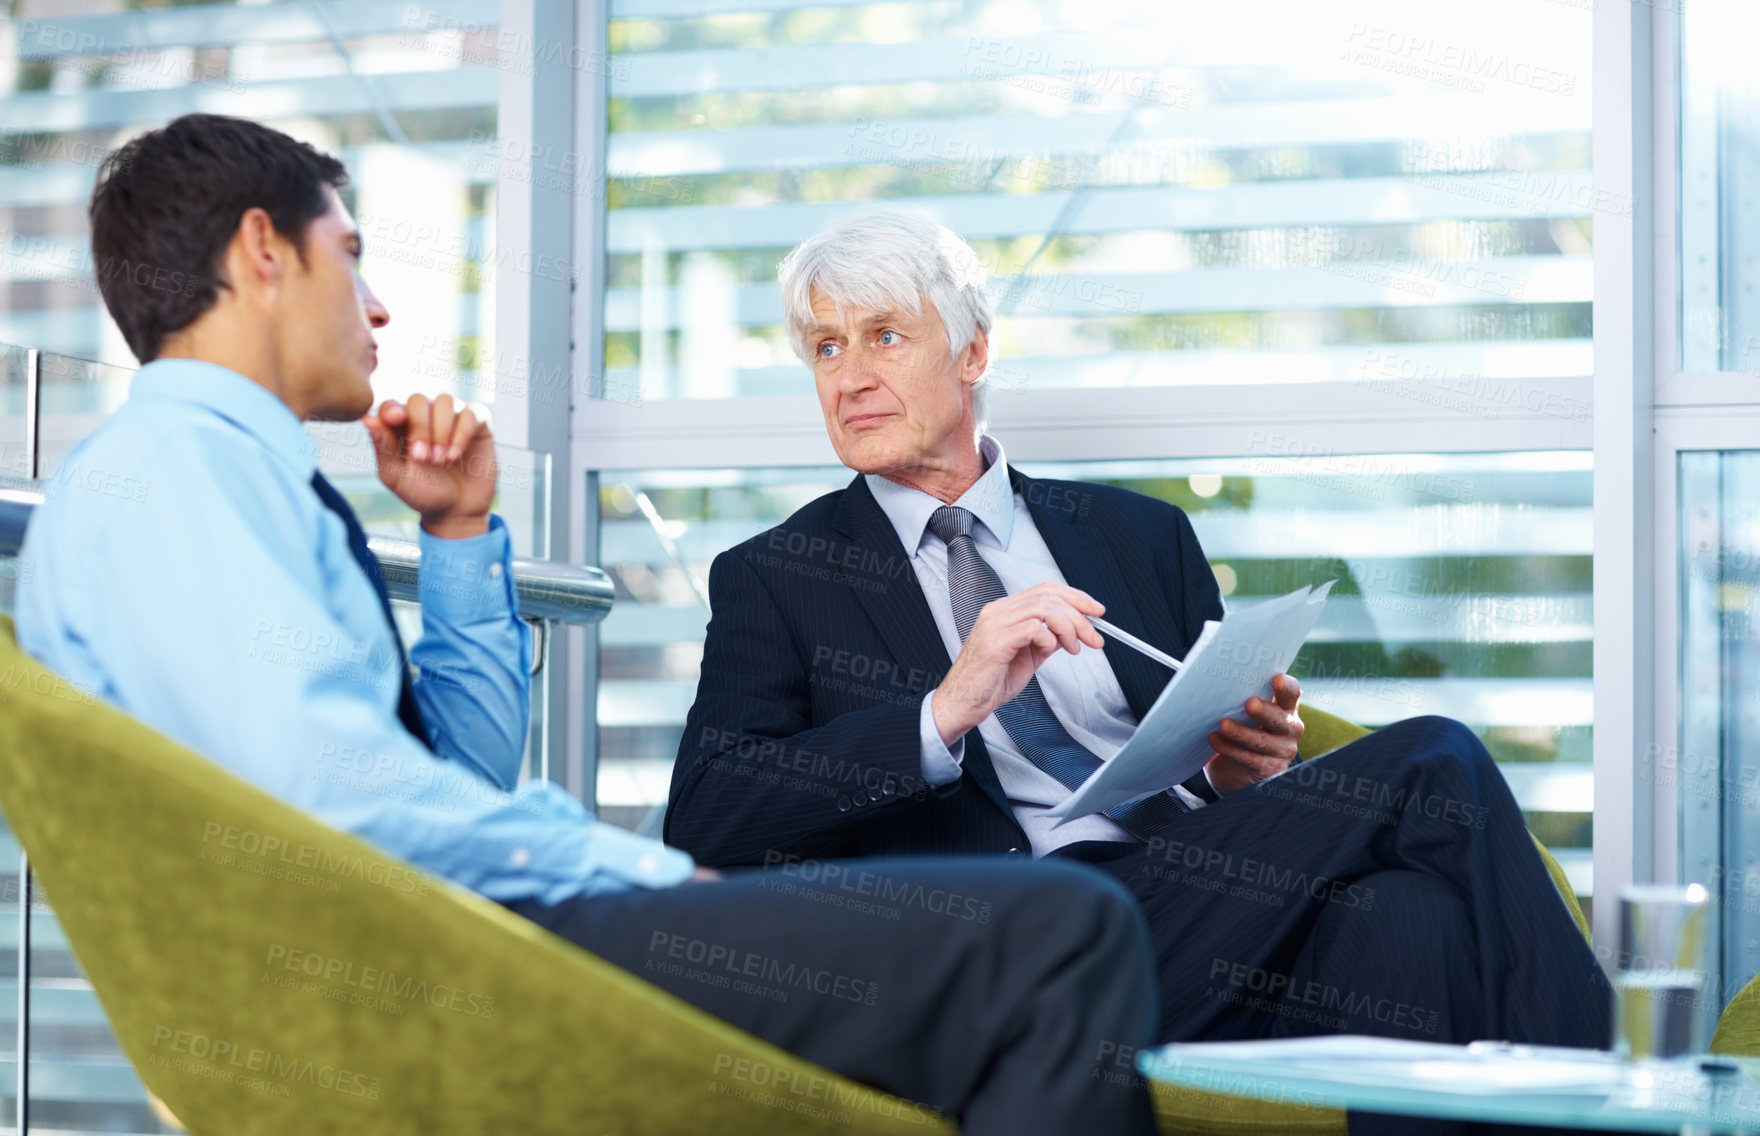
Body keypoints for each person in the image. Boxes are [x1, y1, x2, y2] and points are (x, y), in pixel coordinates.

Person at [13, 115, 1164, 1136]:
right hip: (421, 971)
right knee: (1055, 935)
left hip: (429, 940)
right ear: (265, 251)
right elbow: (347, 794)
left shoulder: (203, 474)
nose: (376, 304)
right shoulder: (179, 476)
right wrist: (648, 872)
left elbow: (441, 771)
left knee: (1045, 938)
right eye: (350, 255)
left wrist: (463, 540)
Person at [665, 209, 1615, 1136]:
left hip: (1208, 916)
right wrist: (946, 711)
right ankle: (1620, 1101)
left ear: (973, 354)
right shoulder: (777, 576)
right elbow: (708, 813)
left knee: (1406, 919)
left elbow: (1202, 751)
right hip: (1036, 943)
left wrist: (1231, 771)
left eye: (883, 336)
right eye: (827, 349)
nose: (853, 377)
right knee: (1434, 759)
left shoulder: (1137, 534)